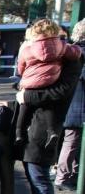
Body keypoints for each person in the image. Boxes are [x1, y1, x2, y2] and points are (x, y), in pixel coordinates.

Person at [15, 42, 82, 194]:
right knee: (34, 175)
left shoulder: (70, 62)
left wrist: (27, 96)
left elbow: (59, 93)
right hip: (35, 125)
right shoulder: (53, 59)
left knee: (39, 177)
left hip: (46, 127)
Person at [15, 19, 82, 150]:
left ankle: (19, 133)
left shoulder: (28, 48)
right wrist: (76, 50)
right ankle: (52, 131)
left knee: (24, 107)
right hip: (50, 78)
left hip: (30, 82)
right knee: (48, 108)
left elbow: (21, 66)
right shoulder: (61, 47)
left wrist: (24, 77)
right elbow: (75, 52)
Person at [56, 18, 85, 192]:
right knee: (72, 140)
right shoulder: (80, 52)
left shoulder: (72, 51)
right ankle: (63, 176)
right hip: (77, 104)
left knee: (73, 140)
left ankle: (70, 174)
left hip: (72, 102)